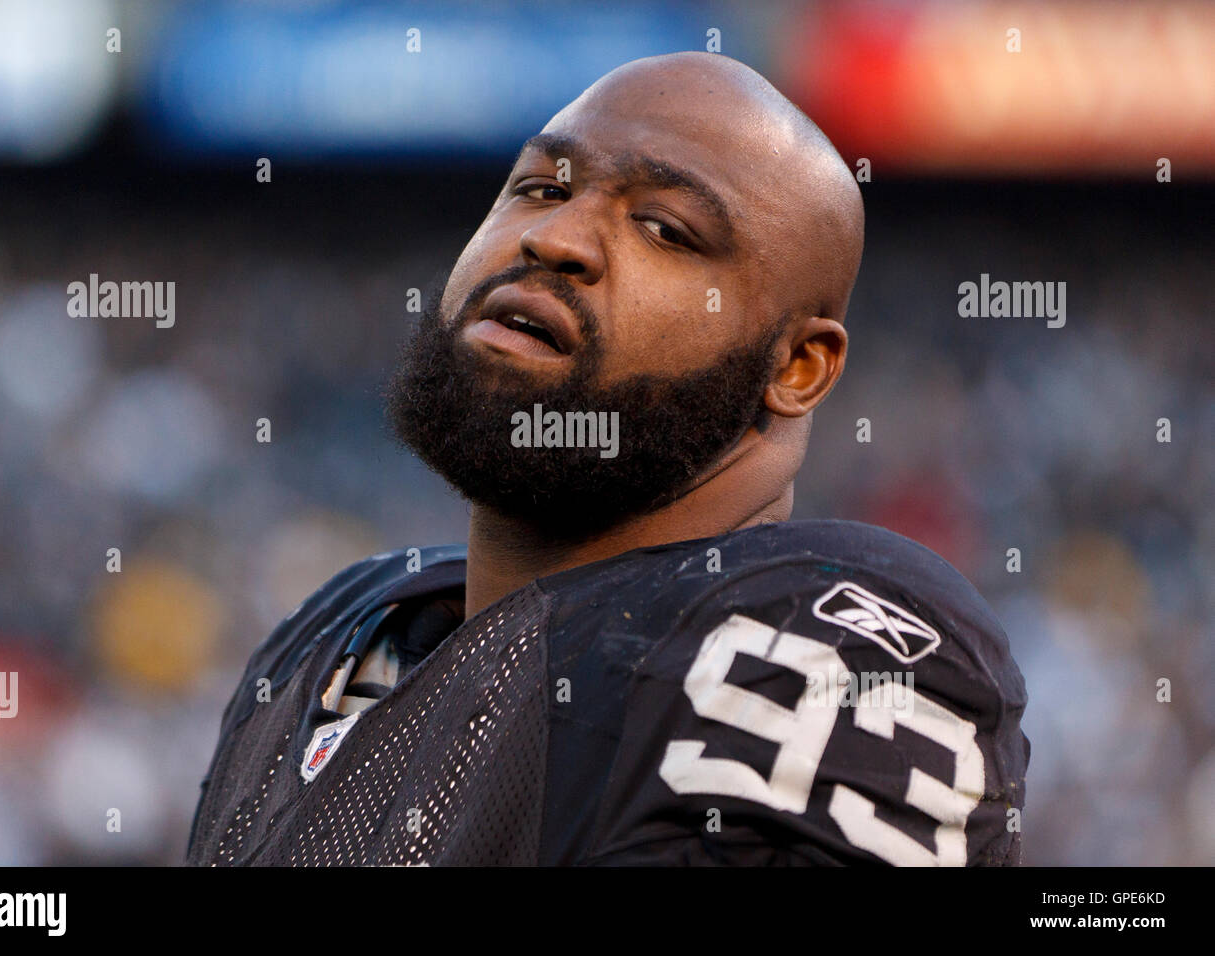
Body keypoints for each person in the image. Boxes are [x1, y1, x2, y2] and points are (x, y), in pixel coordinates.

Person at [187, 52, 1028, 867]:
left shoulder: (813, 644)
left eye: (665, 229)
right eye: (541, 187)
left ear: (796, 366)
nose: (554, 239)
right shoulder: (333, 636)